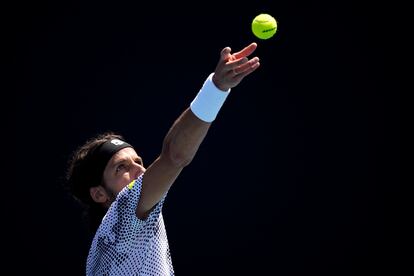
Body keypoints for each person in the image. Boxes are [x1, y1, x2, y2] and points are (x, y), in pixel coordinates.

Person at [65, 42, 261, 275]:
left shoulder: (101, 251)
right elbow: (174, 156)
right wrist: (216, 88)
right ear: (99, 194)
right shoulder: (123, 216)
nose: (139, 170)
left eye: (138, 161)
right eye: (121, 168)